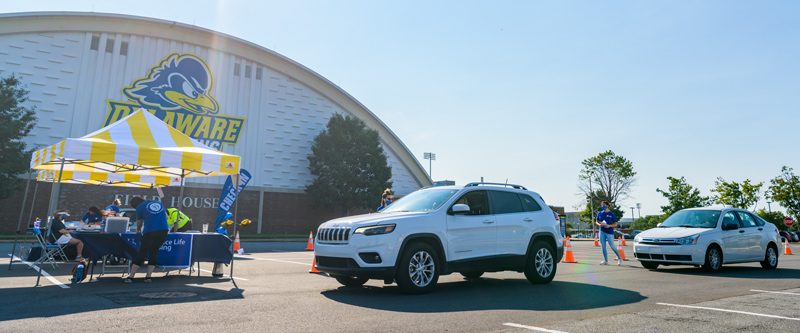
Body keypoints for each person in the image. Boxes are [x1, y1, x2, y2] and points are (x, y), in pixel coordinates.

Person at [124, 197, 169, 283]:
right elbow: (166, 217)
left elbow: (139, 222)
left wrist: (138, 230)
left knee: (142, 252)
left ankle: (131, 276)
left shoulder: (139, 207)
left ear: (135, 205)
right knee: (153, 251)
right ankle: (148, 277)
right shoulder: (158, 202)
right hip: (163, 231)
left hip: (150, 231)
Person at [595, 201, 622, 266]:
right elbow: (597, 221)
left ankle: (619, 258)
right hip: (602, 231)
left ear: (607, 205)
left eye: (604, 205)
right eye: (602, 205)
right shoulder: (600, 213)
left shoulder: (611, 214)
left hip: (609, 232)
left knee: (612, 246)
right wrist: (599, 224)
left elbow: (615, 224)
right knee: (603, 246)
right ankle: (605, 261)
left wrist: (609, 226)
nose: (602, 206)